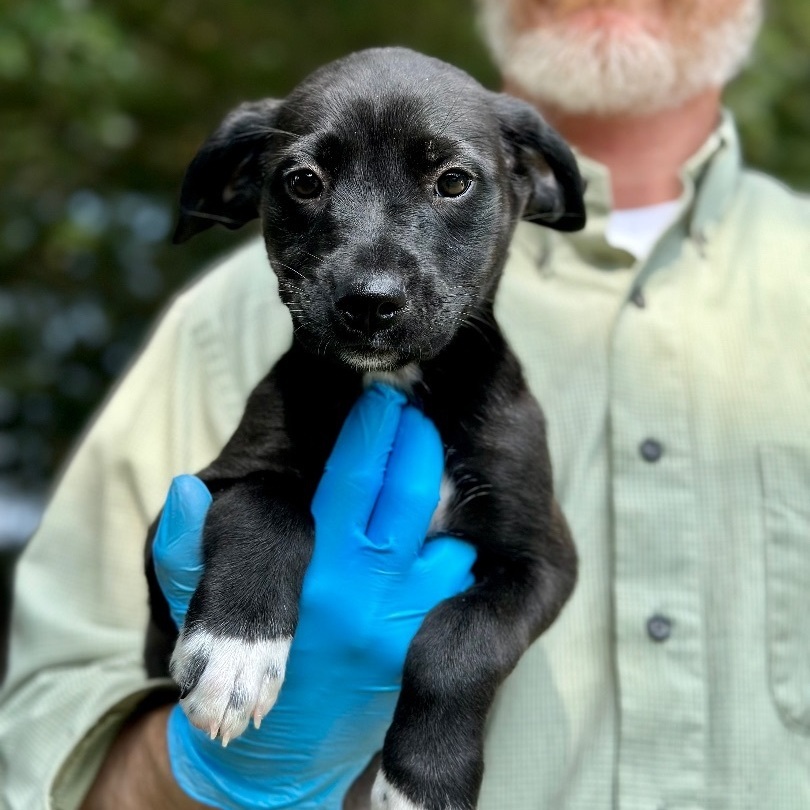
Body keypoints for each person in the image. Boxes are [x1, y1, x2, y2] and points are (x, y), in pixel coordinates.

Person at [2, 0, 809, 807]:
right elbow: (44, 731)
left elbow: (536, 567)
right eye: (307, 183)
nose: (374, 277)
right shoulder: (222, 320)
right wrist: (216, 774)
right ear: (242, 186)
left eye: (451, 183)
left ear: (531, 180)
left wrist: (447, 689)